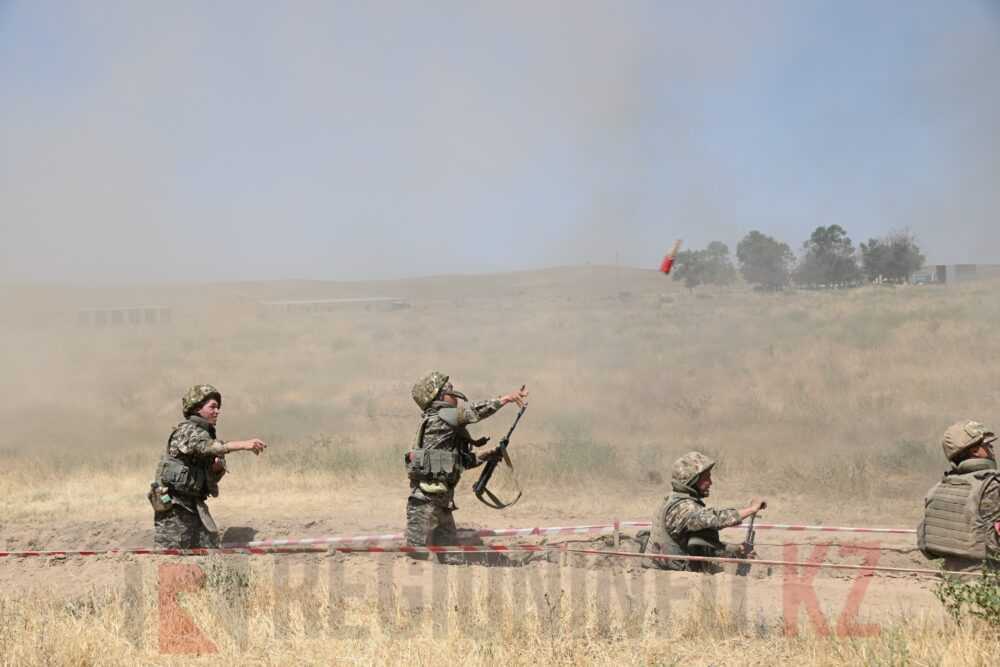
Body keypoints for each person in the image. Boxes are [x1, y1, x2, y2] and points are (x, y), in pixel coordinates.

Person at [405, 371, 528, 563]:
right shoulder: (441, 417)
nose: (454, 394)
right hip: (425, 503)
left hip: (442, 504)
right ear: (439, 396)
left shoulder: (445, 424)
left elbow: (461, 462)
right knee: (416, 556)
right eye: (450, 390)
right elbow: (474, 412)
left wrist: (488, 455)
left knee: (451, 557)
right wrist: (505, 399)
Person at [150, 384, 267, 548]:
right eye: (212, 407)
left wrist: (216, 469)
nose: (217, 411)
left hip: (195, 506)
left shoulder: (205, 434)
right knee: (173, 554)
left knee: (209, 549)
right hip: (175, 507)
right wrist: (244, 445)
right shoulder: (187, 431)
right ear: (197, 408)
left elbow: (208, 478)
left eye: (218, 408)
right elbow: (210, 447)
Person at [646, 451, 766, 572]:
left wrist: (736, 550)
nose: (710, 482)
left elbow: (700, 544)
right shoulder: (683, 508)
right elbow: (716, 519)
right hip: (669, 573)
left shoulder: (676, 500)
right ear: (692, 480)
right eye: (706, 477)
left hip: (668, 568)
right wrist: (751, 509)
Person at [918, 420, 1000, 570]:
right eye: (987, 445)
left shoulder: (938, 488)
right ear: (975, 451)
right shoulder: (992, 486)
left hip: (949, 578)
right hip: (987, 577)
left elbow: (925, 542)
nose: (991, 449)